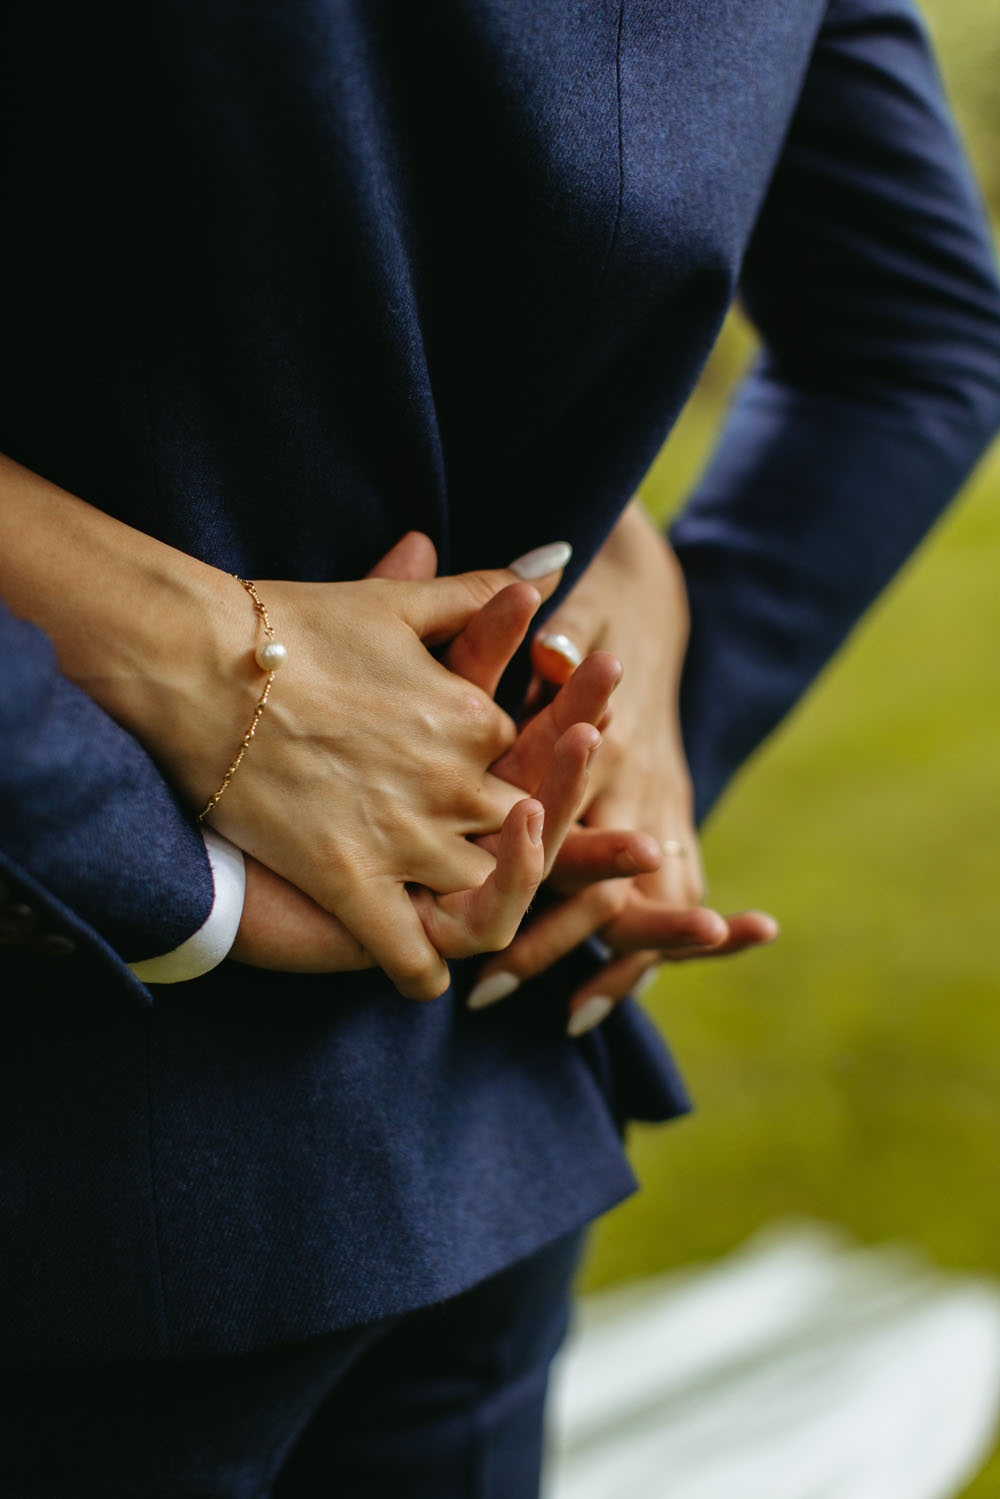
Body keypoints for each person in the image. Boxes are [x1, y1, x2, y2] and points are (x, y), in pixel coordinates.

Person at [1, 0, 999, 1495]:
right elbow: (917, 336)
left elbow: (911, 341)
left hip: (303, 1156)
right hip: (418, 1130)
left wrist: (591, 747)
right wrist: (171, 850)